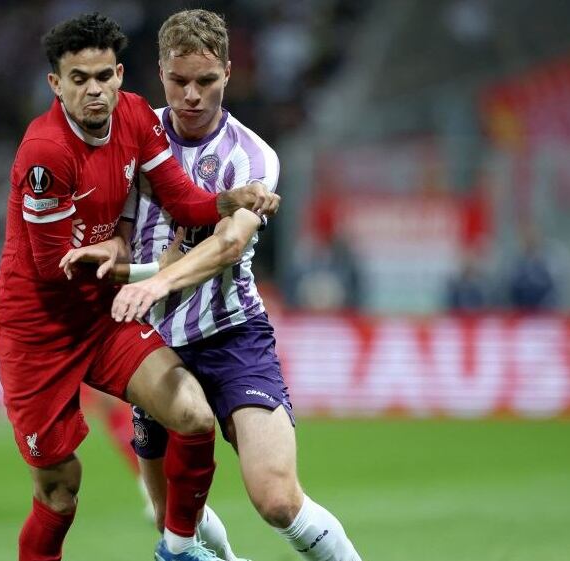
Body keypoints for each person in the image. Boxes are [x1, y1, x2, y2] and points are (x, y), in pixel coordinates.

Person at [62, 10, 362, 561]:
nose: (192, 95)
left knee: (277, 500)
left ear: (228, 72)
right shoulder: (130, 140)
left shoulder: (252, 157)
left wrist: (158, 283)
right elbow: (121, 239)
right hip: (153, 348)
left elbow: (227, 245)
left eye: (207, 81)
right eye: (179, 81)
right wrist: (108, 259)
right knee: (172, 513)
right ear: (159, 72)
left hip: (232, 337)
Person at [0, 13, 279, 561]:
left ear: (120, 74)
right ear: (57, 84)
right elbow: (56, 271)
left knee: (191, 414)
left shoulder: (136, 116)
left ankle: (180, 547)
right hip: (37, 329)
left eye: (103, 75)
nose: (94, 90)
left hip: (100, 315)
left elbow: (183, 199)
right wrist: (141, 267)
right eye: (79, 79)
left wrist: (231, 200)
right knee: (60, 489)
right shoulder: (45, 153)